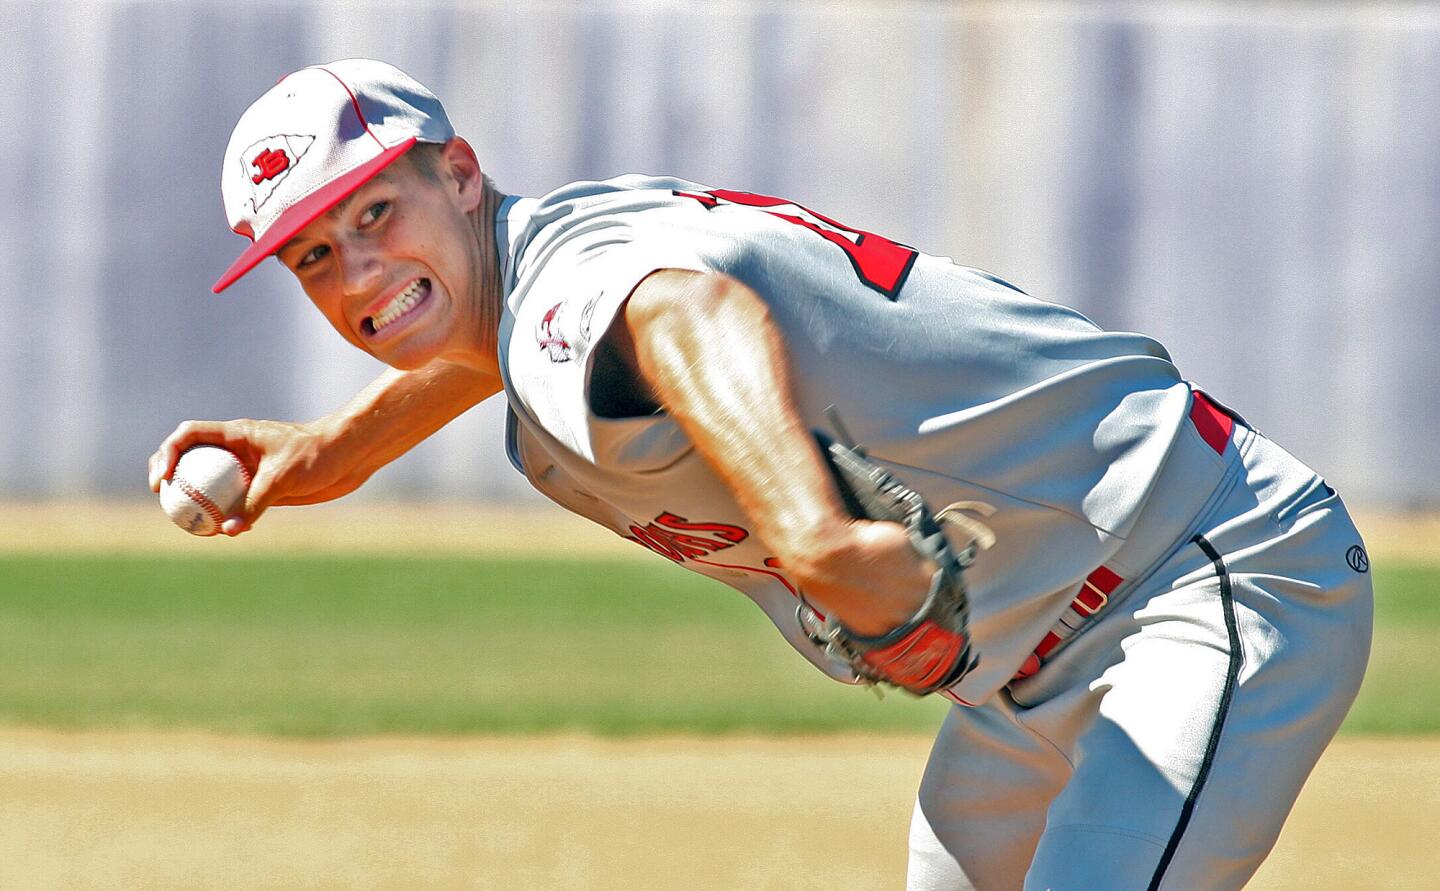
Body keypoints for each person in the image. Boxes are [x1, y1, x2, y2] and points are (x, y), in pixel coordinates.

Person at [150, 59, 1373, 889]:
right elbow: (513, 351)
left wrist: (815, 537)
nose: (358, 272)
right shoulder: (543, 280)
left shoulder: (595, 286)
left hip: (1198, 578)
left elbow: (686, 314)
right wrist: (328, 453)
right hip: (1020, 679)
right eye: (314, 255)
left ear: (457, 171)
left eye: (375, 214)